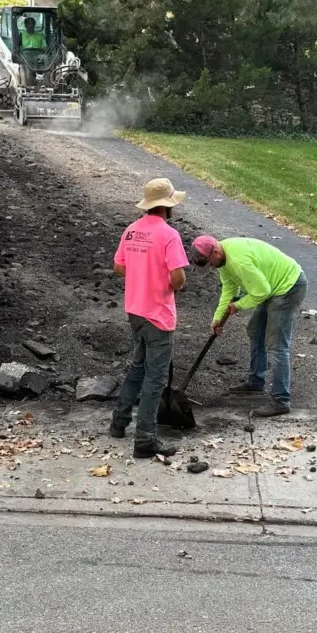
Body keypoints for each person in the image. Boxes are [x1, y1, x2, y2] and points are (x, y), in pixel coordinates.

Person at [110, 178, 189, 458]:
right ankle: (144, 439)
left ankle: (119, 423)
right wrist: (168, 281)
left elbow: (119, 266)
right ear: (168, 205)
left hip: (135, 310)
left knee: (138, 367)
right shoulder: (169, 235)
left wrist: (142, 273)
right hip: (158, 314)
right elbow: (178, 278)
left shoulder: (132, 230)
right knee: (155, 379)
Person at [190, 235, 307, 417]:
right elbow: (229, 290)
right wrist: (217, 318)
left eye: (209, 262)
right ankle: (255, 382)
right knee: (255, 331)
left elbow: (261, 291)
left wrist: (238, 305)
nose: (211, 266)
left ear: (216, 251)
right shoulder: (223, 260)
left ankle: (281, 400)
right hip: (269, 287)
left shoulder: (239, 261)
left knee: (276, 345)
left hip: (288, 287)